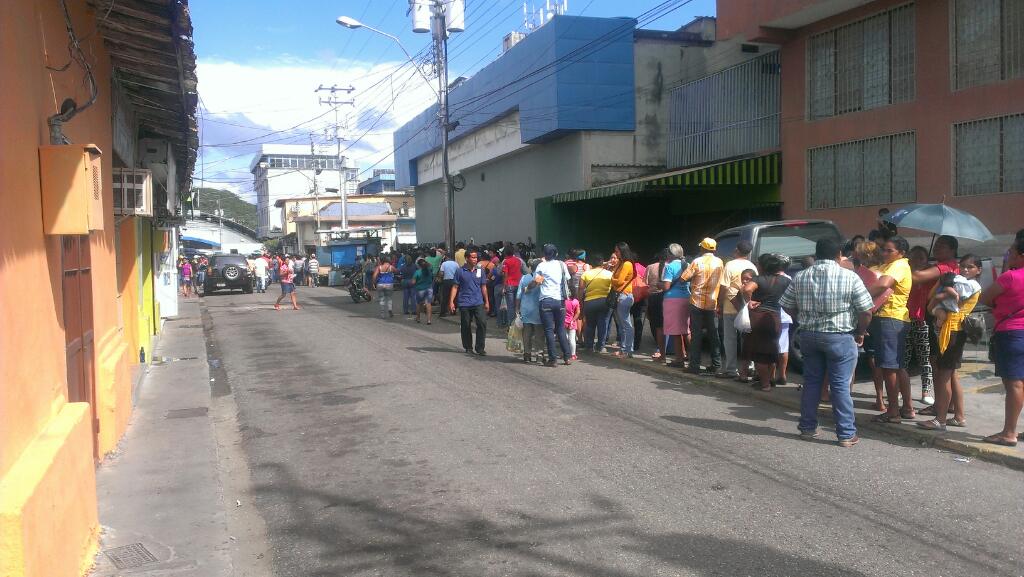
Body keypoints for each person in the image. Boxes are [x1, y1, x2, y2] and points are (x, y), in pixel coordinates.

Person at [781, 238, 874, 447]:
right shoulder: (850, 276)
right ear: (839, 255)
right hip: (839, 336)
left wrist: (802, 318)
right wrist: (861, 332)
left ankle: (807, 428)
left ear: (816, 254)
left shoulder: (801, 276)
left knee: (812, 382)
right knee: (840, 385)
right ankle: (846, 434)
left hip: (808, 336)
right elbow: (866, 310)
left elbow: (786, 305)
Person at [917, 254, 983, 431]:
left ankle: (940, 419)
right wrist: (942, 284)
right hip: (949, 329)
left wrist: (944, 289)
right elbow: (933, 298)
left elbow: (950, 298)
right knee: (951, 375)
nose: (965, 270)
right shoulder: (958, 281)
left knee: (943, 376)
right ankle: (959, 416)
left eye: (970, 267)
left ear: (979, 270)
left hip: (953, 331)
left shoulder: (972, 285)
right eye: (963, 266)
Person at [980, 238, 1024, 447]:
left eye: (1012, 253)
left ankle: (1009, 432)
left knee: (1013, 383)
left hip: (1011, 332)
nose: (1009, 256)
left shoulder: (1010, 277)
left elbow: (985, 298)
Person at [868, 236, 915, 423]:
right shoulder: (887, 265)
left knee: (889, 367)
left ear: (901, 253)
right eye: (884, 249)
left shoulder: (900, 265)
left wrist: (859, 296)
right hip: (889, 319)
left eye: (889, 250)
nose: (885, 253)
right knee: (896, 366)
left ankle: (893, 411)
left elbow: (883, 284)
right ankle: (907, 408)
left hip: (891, 318)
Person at [910, 235, 960, 404]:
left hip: (941, 320)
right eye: (936, 245)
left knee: (939, 366)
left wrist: (907, 267)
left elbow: (916, 278)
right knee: (947, 369)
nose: (937, 248)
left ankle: (942, 408)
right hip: (943, 319)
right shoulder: (942, 266)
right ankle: (949, 406)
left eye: (942, 246)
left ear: (952, 250)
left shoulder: (945, 267)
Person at [741, 253, 792, 392]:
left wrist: (749, 301)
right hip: (775, 317)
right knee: (771, 350)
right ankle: (770, 379)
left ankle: (765, 384)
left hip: (758, 316)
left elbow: (746, 289)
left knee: (759, 353)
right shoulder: (785, 280)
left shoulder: (759, 279)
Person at [681, 238, 725, 374]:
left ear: (702, 249)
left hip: (697, 302)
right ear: (714, 249)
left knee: (696, 335)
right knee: (714, 335)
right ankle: (716, 365)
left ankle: (694, 365)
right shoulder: (720, 262)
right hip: (713, 303)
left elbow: (684, 277)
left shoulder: (696, 261)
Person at [718, 240, 758, 378]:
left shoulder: (730, 265)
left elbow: (724, 286)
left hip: (730, 307)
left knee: (730, 339)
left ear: (736, 250)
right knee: (747, 339)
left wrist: (719, 304)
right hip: (746, 308)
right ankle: (749, 367)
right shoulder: (752, 266)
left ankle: (731, 369)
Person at [532, 244, 573, 366]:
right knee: (560, 329)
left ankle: (553, 359)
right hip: (560, 301)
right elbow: (568, 278)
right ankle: (567, 357)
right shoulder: (561, 264)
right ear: (555, 253)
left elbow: (537, 282)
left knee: (549, 330)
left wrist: (527, 288)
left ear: (544, 254)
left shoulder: (541, 266)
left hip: (546, 300)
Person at [905, 245, 934, 405]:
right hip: (904, 318)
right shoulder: (905, 273)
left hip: (922, 319)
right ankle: (903, 390)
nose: (917, 261)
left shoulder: (930, 275)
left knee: (925, 356)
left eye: (921, 258)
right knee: (905, 356)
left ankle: (926, 390)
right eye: (914, 257)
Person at [449, 247, 489, 355]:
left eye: (476, 257)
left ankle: (480, 347)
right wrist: (451, 302)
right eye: (473, 257)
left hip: (478, 302)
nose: (475, 259)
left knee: (482, 323)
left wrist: (487, 301)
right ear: (467, 258)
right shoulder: (460, 271)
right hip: (464, 302)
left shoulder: (480, 270)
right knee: (466, 325)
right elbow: (455, 287)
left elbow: (483, 286)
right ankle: (468, 346)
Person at [661, 244, 691, 367]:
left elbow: (666, 286)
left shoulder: (669, 267)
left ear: (670, 254)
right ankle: (691, 356)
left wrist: (659, 285)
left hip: (673, 299)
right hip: (687, 298)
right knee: (686, 330)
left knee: (675, 330)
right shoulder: (688, 265)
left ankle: (679, 359)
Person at [608, 243, 637, 358]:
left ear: (623, 251)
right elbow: (616, 278)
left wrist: (612, 279)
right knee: (622, 324)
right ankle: (623, 349)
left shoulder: (627, 264)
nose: (616, 253)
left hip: (624, 296)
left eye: (617, 251)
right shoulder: (620, 263)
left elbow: (618, 281)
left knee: (626, 324)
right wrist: (614, 278)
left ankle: (628, 350)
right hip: (620, 295)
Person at [579, 253, 613, 353]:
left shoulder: (586, 274)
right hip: (604, 301)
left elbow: (581, 289)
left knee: (590, 324)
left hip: (589, 302)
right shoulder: (609, 274)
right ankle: (600, 347)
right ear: (602, 263)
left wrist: (580, 301)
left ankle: (589, 346)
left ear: (591, 263)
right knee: (603, 324)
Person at [518, 258, 545, 363]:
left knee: (527, 333)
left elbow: (518, 295)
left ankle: (527, 354)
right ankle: (539, 355)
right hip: (538, 310)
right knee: (539, 334)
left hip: (525, 309)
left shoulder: (524, 278)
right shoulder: (542, 278)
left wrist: (517, 309)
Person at [645, 249, 668, 360]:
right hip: (667, 296)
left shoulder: (650, 267)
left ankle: (660, 349)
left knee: (657, 326)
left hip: (653, 297)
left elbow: (645, 284)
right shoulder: (670, 266)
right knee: (669, 325)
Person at [413, 257, 434, 324]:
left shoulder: (417, 272)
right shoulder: (429, 269)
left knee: (418, 304)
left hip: (420, 290)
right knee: (428, 304)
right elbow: (430, 265)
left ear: (418, 265)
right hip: (429, 289)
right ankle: (429, 320)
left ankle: (418, 318)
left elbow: (413, 282)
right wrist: (425, 262)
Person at [564, 286, 581, 361]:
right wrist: (573, 320)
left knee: (565, 338)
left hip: (563, 322)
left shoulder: (564, 301)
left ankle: (566, 353)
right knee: (572, 339)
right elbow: (578, 313)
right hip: (572, 322)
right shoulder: (576, 301)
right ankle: (573, 354)